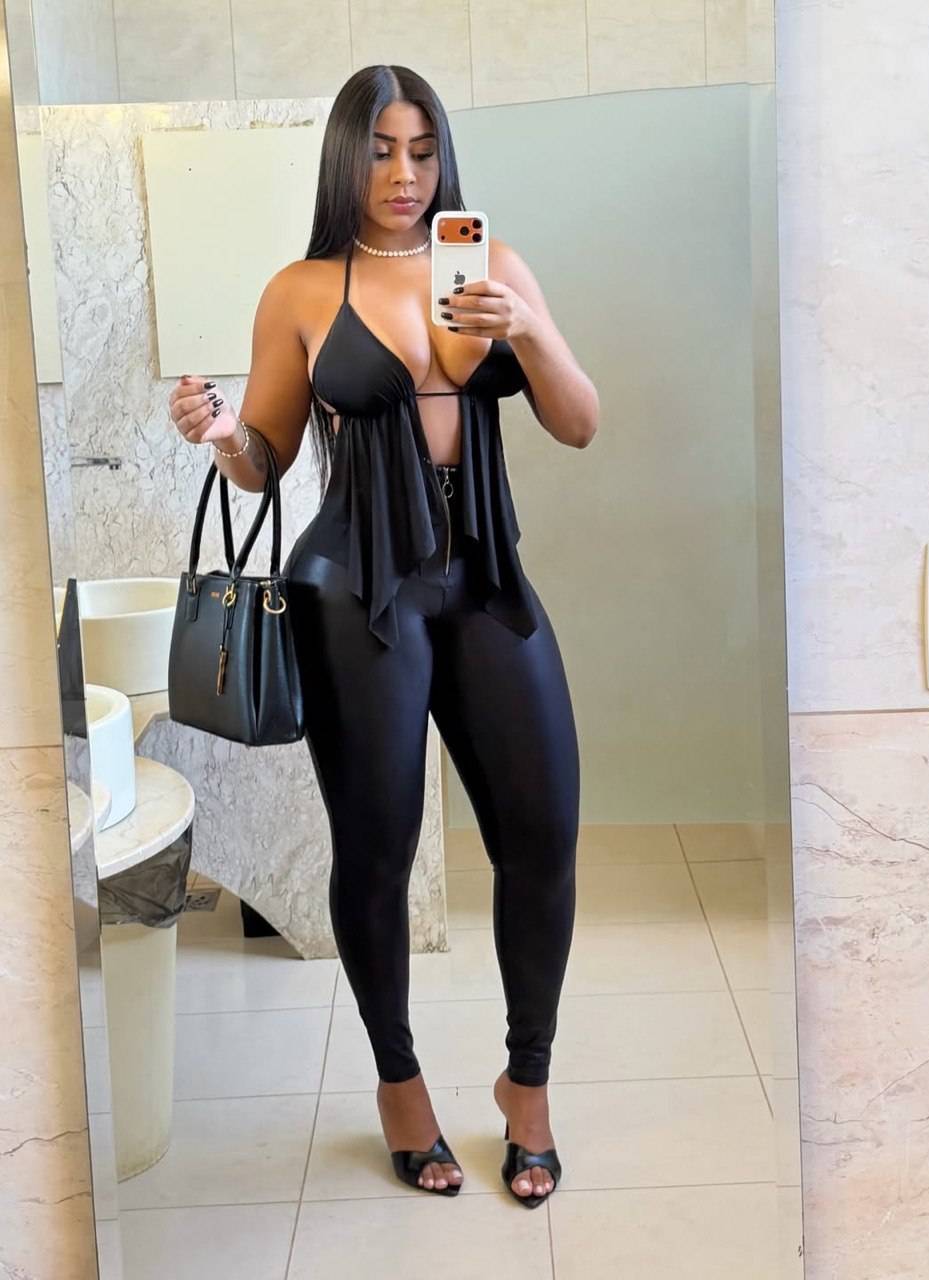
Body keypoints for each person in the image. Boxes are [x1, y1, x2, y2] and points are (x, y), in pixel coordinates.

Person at [169, 63, 599, 1208]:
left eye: (421, 149)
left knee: (545, 831)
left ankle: (527, 1083)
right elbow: (263, 459)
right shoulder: (304, 288)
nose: (403, 173)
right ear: (345, 157)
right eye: (379, 150)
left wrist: (528, 332)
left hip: (484, 577)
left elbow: (579, 421)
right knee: (377, 849)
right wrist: (221, 431)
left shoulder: (493, 266)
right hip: (353, 588)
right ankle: (400, 1084)